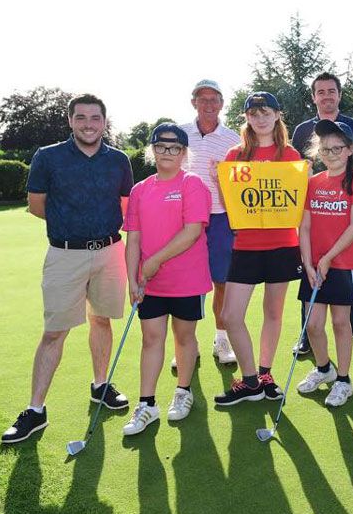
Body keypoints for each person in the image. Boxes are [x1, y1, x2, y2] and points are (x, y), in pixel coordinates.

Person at [1, 94, 133, 444]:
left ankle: (101, 385)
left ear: (105, 122)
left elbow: (124, 206)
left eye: (95, 118)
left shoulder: (119, 160)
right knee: (54, 332)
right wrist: (72, 227)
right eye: (81, 117)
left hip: (110, 252)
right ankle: (35, 410)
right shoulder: (48, 157)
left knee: (101, 320)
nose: (88, 123)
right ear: (71, 121)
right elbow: (36, 206)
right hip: (64, 254)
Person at [121, 124, 212, 435]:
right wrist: (134, 278)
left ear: (184, 153)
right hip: (150, 283)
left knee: (184, 338)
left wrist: (154, 262)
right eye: (161, 146)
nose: (167, 153)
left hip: (187, 280)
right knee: (150, 339)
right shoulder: (140, 190)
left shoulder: (193, 184)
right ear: (152, 150)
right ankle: (147, 404)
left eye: (175, 148)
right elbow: (133, 238)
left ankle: (183, 391)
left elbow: (192, 231)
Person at [214, 92, 303, 406]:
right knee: (230, 314)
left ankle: (265, 375)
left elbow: (298, 202)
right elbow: (229, 199)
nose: (260, 118)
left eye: (266, 112)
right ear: (246, 118)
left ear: (277, 115)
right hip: (247, 245)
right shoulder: (235, 155)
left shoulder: (290, 155)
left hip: (281, 244)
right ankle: (250, 380)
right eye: (253, 112)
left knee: (273, 312)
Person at [291, 72, 353, 356]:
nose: (326, 96)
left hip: (348, 208)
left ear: (339, 95)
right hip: (316, 210)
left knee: (350, 278)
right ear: (314, 96)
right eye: (320, 92)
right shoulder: (303, 130)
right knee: (312, 280)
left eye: (332, 91)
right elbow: (299, 173)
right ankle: (307, 336)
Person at [295, 119, 353, 407]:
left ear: (350, 149)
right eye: (325, 149)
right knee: (313, 325)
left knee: (341, 323)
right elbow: (303, 227)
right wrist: (309, 264)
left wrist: (327, 259)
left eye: (338, 148)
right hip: (314, 266)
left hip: (343, 264)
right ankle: (324, 368)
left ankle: (343, 380)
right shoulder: (313, 182)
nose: (331, 154)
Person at [177, 79, 241, 367]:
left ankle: (221, 338)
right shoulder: (179, 134)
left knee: (222, 281)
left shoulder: (233, 139)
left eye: (214, 99)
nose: (208, 104)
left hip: (221, 217)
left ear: (222, 104)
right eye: (202, 99)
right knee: (186, 283)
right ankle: (186, 344)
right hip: (185, 218)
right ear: (193, 103)